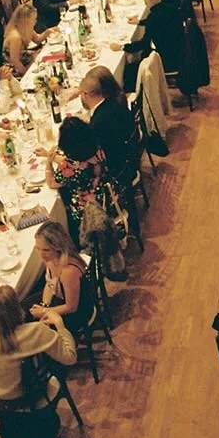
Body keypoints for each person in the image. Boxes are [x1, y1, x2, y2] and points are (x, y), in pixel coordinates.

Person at [45, 117, 125, 278]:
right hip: (109, 198)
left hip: (89, 214)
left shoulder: (70, 167)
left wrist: (48, 162)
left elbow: (52, 182)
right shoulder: (98, 148)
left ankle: (76, 247)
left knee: (62, 207)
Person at [0, 285, 78, 403]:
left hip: (1, 400)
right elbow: (70, 357)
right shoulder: (37, 331)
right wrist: (60, 325)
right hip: (36, 392)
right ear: (18, 309)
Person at [78, 66, 138, 191]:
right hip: (128, 155)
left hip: (118, 168)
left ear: (86, 95)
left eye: (81, 93)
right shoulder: (116, 99)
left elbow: (91, 153)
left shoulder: (99, 121)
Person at [28, 221, 93, 336]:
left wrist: (44, 312)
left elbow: (71, 307)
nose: (41, 254)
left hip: (78, 311)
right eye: (38, 248)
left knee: (37, 332)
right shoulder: (50, 258)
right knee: (23, 309)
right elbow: (49, 284)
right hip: (60, 299)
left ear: (58, 248)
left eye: (46, 250)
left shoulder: (68, 271)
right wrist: (44, 305)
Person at [121, 0, 185, 86]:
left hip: (167, 60)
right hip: (180, 52)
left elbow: (143, 44)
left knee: (129, 72)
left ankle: (141, 93)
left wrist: (122, 47)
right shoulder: (172, 9)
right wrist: (140, 22)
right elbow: (160, 21)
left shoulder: (153, 18)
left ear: (146, 3)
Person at [3, 2, 46, 78]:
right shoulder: (15, 37)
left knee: (44, 54)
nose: (35, 21)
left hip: (23, 58)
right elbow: (15, 61)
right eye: (33, 19)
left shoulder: (26, 28)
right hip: (14, 69)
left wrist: (48, 32)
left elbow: (37, 40)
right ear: (25, 20)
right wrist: (28, 74)